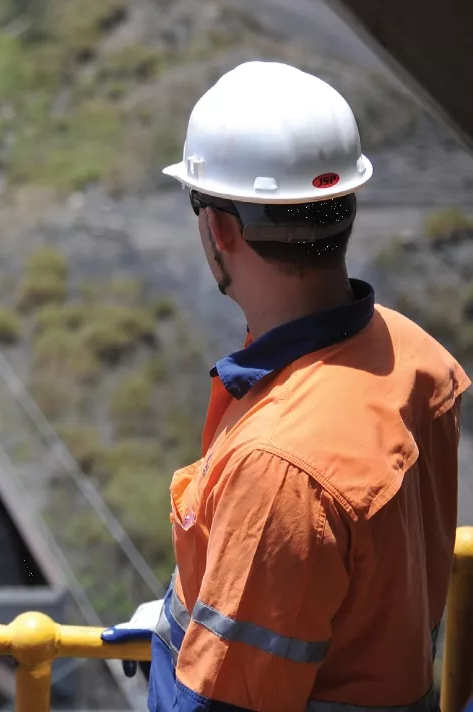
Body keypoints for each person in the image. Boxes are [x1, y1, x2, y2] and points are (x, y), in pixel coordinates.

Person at [101, 61, 467, 711]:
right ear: (346, 208)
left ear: (218, 229)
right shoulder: (413, 355)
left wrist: (182, 639)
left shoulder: (280, 469)